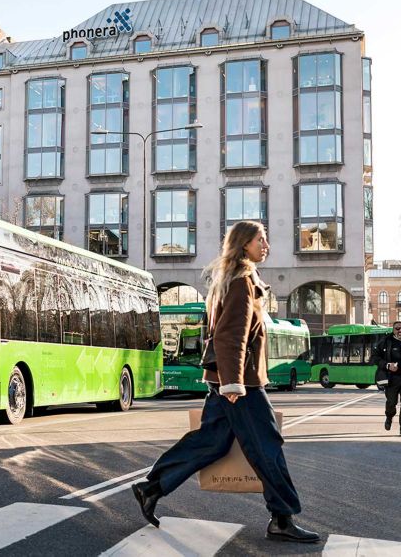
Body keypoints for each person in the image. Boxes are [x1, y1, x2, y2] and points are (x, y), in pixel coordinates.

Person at [131, 221, 319, 544]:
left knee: (211, 442)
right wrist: (233, 384)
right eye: (261, 239)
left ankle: (151, 488)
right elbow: (232, 336)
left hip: (227, 380)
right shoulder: (243, 281)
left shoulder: (230, 281)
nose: (267, 245)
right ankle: (282, 517)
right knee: (268, 445)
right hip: (239, 384)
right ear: (245, 244)